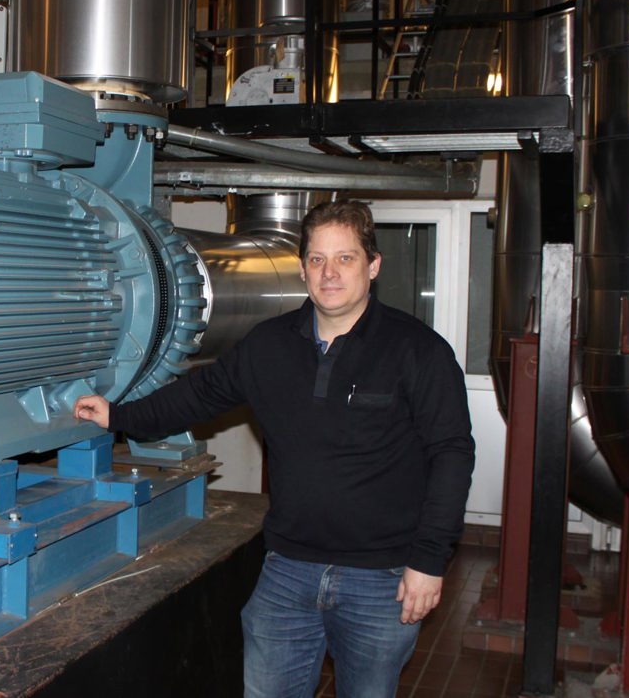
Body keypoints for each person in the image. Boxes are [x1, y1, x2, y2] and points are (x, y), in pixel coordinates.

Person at [73, 199, 475, 698]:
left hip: (382, 577)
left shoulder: (419, 352)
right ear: (303, 266)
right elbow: (196, 395)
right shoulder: (268, 346)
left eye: (345, 258)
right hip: (288, 571)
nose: (330, 273)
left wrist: (429, 561)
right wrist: (119, 416)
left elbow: (452, 455)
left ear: (373, 265)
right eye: (317, 259)